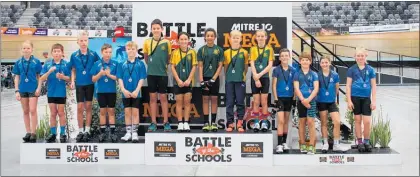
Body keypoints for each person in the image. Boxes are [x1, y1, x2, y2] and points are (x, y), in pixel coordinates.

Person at [69, 31, 100, 142]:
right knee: (79, 107)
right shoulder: (74, 55)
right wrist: (72, 81)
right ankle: (80, 130)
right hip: (79, 85)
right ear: (78, 42)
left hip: (90, 84)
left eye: (85, 40)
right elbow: (73, 70)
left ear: (88, 41)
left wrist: (97, 76)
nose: (83, 43)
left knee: (88, 107)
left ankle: (87, 130)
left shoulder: (93, 54)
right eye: (81, 40)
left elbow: (99, 66)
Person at [143, 19, 172, 132]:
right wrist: (153, 66)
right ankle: (153, 122)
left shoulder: (166, 42)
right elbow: (146, 58)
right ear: (151, 29)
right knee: (153, 99)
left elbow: (168, 58)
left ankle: (166, 122)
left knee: (164, 98)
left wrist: (162, 67)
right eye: (154, 28)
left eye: (158, 28)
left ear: (161, 29)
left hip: (162, 75)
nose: (156, 30)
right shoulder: (146, 42)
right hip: (151, 74)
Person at [346, 47, 376, 152]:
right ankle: (359, 142)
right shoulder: (351, 70)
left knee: (367, 121)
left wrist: (374, 101)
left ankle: (366, 141)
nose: (360, 57)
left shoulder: (370, 69)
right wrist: (349, 101)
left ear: (365, 56)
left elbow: (373, 86)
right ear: (355, 57)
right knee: (357, 120)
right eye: (358, 55)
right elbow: (348, 86)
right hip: (355, 98)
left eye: (362, 55)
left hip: (366, 98)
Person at [39, 43, 71, 143]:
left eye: (59, 51)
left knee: (61, 113)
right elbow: (41, 78)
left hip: (61, 92)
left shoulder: (66, 64)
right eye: (55, 51)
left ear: (62, 53)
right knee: (53, 113)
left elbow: (69, 78)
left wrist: (62, 77)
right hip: (51, 93)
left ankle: (62, 133)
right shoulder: (47, 64)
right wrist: (49, 72)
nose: (57, 53)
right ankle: (53, 134)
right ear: (52, 53)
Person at [317, 56, 349, 153]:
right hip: (321, 101)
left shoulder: (335, 75)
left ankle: (336, 144)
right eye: (322, 62)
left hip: (331, 102)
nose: (324, 64)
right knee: (324, 123)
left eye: (326, 62)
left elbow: (336, 89)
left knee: (337, 121)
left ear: (330, 63)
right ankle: (325, 144)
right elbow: (316, 89)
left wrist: (333, 98)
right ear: (320, 64)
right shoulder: (317, 75)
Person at [12, 40, 42, 143]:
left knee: (33, 110)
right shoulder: (18, 62)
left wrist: (39, 88)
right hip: (22, 89)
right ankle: (28, 132)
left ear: (32, 49)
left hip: (33, 89)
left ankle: (33, 132)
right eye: (24, 48)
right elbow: (16, 77)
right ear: (21, 50)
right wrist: (16, 90)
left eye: (28, 48)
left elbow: (39, 76)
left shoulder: (36, 61)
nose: (26, 50)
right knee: (25, 111)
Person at [117, 41, 147, 143]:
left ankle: (135, 133)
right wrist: (123, 90)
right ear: (126, 50)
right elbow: (119, 78)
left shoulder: (140, 64)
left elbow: (142, 78)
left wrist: (136, 90)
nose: (131, 51)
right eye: (129, 49)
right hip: (125, 92)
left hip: (136, 92)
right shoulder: (121, 64)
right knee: (127, 112)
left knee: (135, 112)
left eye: (133, 49)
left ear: (136, 51)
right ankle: (128, 132)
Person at [90, 44, 118, 142]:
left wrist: (109, 75)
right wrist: (100, 74)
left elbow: (117, 78)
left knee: (111, 111)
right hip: (101, 91)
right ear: (102, 52)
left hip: (112, 91)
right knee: (102, 112)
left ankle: (112, 133)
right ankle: (102, 133)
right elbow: (93, 79)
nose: (108, 54)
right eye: (106, 52)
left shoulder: (115, 63)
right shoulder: (97, 64)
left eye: (110, 52)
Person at [198, 28, 224, 132]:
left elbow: (220, 66)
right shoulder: (201, 50)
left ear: (215, 37)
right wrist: (201, 80)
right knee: (205, 100)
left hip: (215, 79)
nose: (209, 37)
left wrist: (213, 79)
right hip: (204, 78)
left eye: (211, 35)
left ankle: (213, 122)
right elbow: (200, 66)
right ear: (205, 37)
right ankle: (205, 122)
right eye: (207, 35)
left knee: (213, 99)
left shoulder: (219, 50)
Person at [171, 32, 197, 132]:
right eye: (181, 39)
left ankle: (186, 122)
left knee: (187, 102)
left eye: (185, 39)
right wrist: (178, 80)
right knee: (178, 102)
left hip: (188, 82)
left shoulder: (192, 52)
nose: (183, 41)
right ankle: (180, 123)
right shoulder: (175, 52)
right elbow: (172, 67)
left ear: (188, 40)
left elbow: (194, 66)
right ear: (178, 41)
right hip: (178, 82)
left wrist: (189, 79)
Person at [293, 52, 319, 155]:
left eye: (307, 60)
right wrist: (303, 100)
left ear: (310, 61)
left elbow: (316, 88)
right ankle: (303, 144)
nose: (305, 62)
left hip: (311, 101)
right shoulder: (297, 74)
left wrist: (308, 100)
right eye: (303, 60)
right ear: (300, 61)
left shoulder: (314, 74)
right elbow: (296, 88)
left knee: (311, 122)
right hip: (301, 101)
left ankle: (312, 146)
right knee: (302, 123)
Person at [224, 30, 249, 132]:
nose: (235, 39)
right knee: (229, 102)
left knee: (240, 102)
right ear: (230, 39)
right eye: (233, 37)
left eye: (237, 37)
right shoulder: (226, 53)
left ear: (240, 39)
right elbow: (225, 68)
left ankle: (240, 123)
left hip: (240, 80)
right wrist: (229, 76)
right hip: (229, 80)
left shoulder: (244, 52)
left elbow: (246, 67)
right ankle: (230, 123)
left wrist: (241, 76)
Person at [249, 30, 274, 132]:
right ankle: (256, 122)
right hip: (255, 77)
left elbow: (270, 65)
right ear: (256, 37)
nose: (260, 38)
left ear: (266, 37)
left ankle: (263, 122)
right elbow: (252, 63)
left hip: (264, 77)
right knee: (256, 101)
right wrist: (256, 77)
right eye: (258, 36)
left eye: (262, 36)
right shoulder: (253, 49)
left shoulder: (269, 49)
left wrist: (259, 75)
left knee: (264, 101)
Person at [273, 48, 296, 153]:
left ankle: (284, 143)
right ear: (279, 58)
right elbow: (274, 85)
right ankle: (278, 144)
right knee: (281, 121)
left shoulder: (293, 70)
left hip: (290, 97)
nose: (284, 57)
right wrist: (276, 99)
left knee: (286, 121)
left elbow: (295, 86)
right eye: (282, 56)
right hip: (280, 98)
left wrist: (294, 98)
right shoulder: (276, 70)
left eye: (286, 55)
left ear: (289, 57)